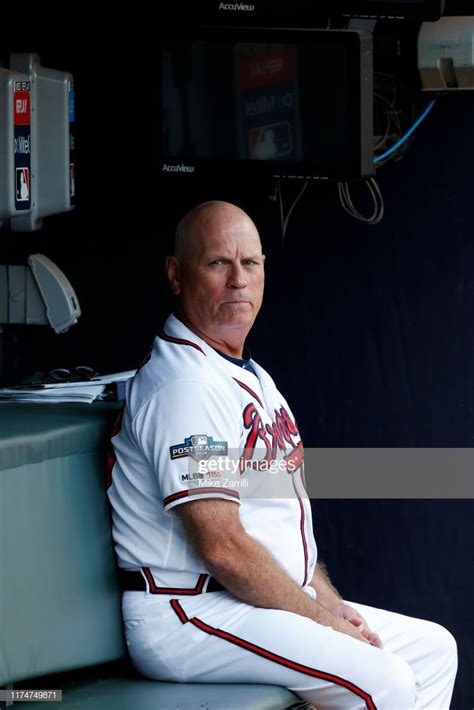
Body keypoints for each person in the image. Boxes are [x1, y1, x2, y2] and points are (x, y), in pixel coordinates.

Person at [107, 200, 457, 709]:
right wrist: (320, 621)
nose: (238, 280)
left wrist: (329, 602)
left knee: (432, 651)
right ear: (176, 276)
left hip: (246, 602)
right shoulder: (186, 385)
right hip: (188, 612)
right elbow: (222, 545)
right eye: (217, 263)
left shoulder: (249, 377)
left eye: (250, 263)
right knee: (385, 681)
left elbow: (275, 521)